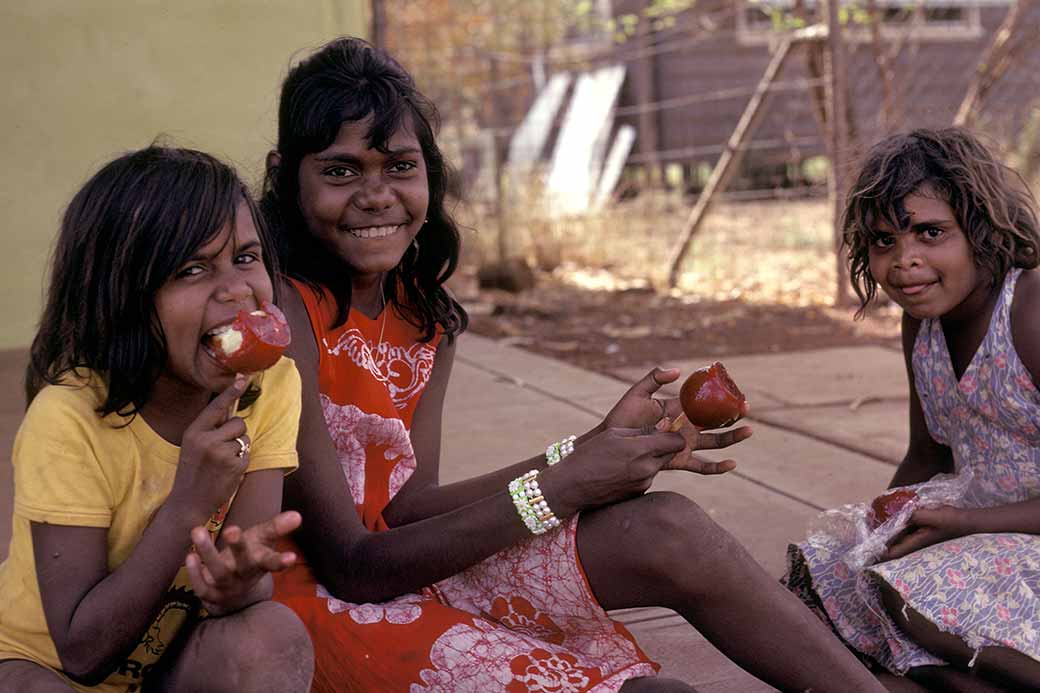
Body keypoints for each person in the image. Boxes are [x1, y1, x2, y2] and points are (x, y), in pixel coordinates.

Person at [264, 36, 886, 692]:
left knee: (667, 527)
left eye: (398, 166)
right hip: (313, 605)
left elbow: (407, 508)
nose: (375, 194)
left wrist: (589, 454)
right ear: (285, 174)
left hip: (402, 567)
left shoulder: (424, 315)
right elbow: (352, 565)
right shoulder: (283, 309)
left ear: (430, 172)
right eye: (340, 171)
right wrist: (566, 485)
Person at [0, 146, 314, 692]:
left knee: (271, 636)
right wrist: (188, 503)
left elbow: (243, 571)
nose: (237, 290)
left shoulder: (273, 385)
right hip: (43, 665)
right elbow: (80, 653)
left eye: (245, 257)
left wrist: (237, 585)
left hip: (166, 660)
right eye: (191, 269)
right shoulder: (68, 418)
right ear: (120, 297)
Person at [786, 128, 1040, 691]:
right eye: (883, 241)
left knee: (901, 594)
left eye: (931, 233)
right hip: (986, 534)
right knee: (822, 575)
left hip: (1020, 541)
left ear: (982, 230)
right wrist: (879, 529)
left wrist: (967, 525)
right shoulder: (921, 323)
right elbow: (927, 454)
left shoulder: (1029, 311)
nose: (906, 261)